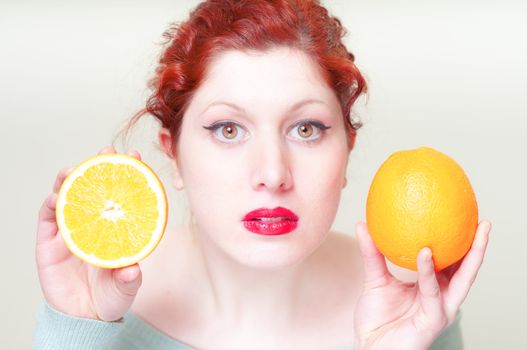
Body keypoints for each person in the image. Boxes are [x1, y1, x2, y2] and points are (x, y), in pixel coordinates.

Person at [33, 0, 491, 349]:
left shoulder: (414, 307)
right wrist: (76, 328)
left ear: (348, 149)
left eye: (306, 128)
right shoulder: (98, 302)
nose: (273, 174)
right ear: (173, 155)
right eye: (228, 129)